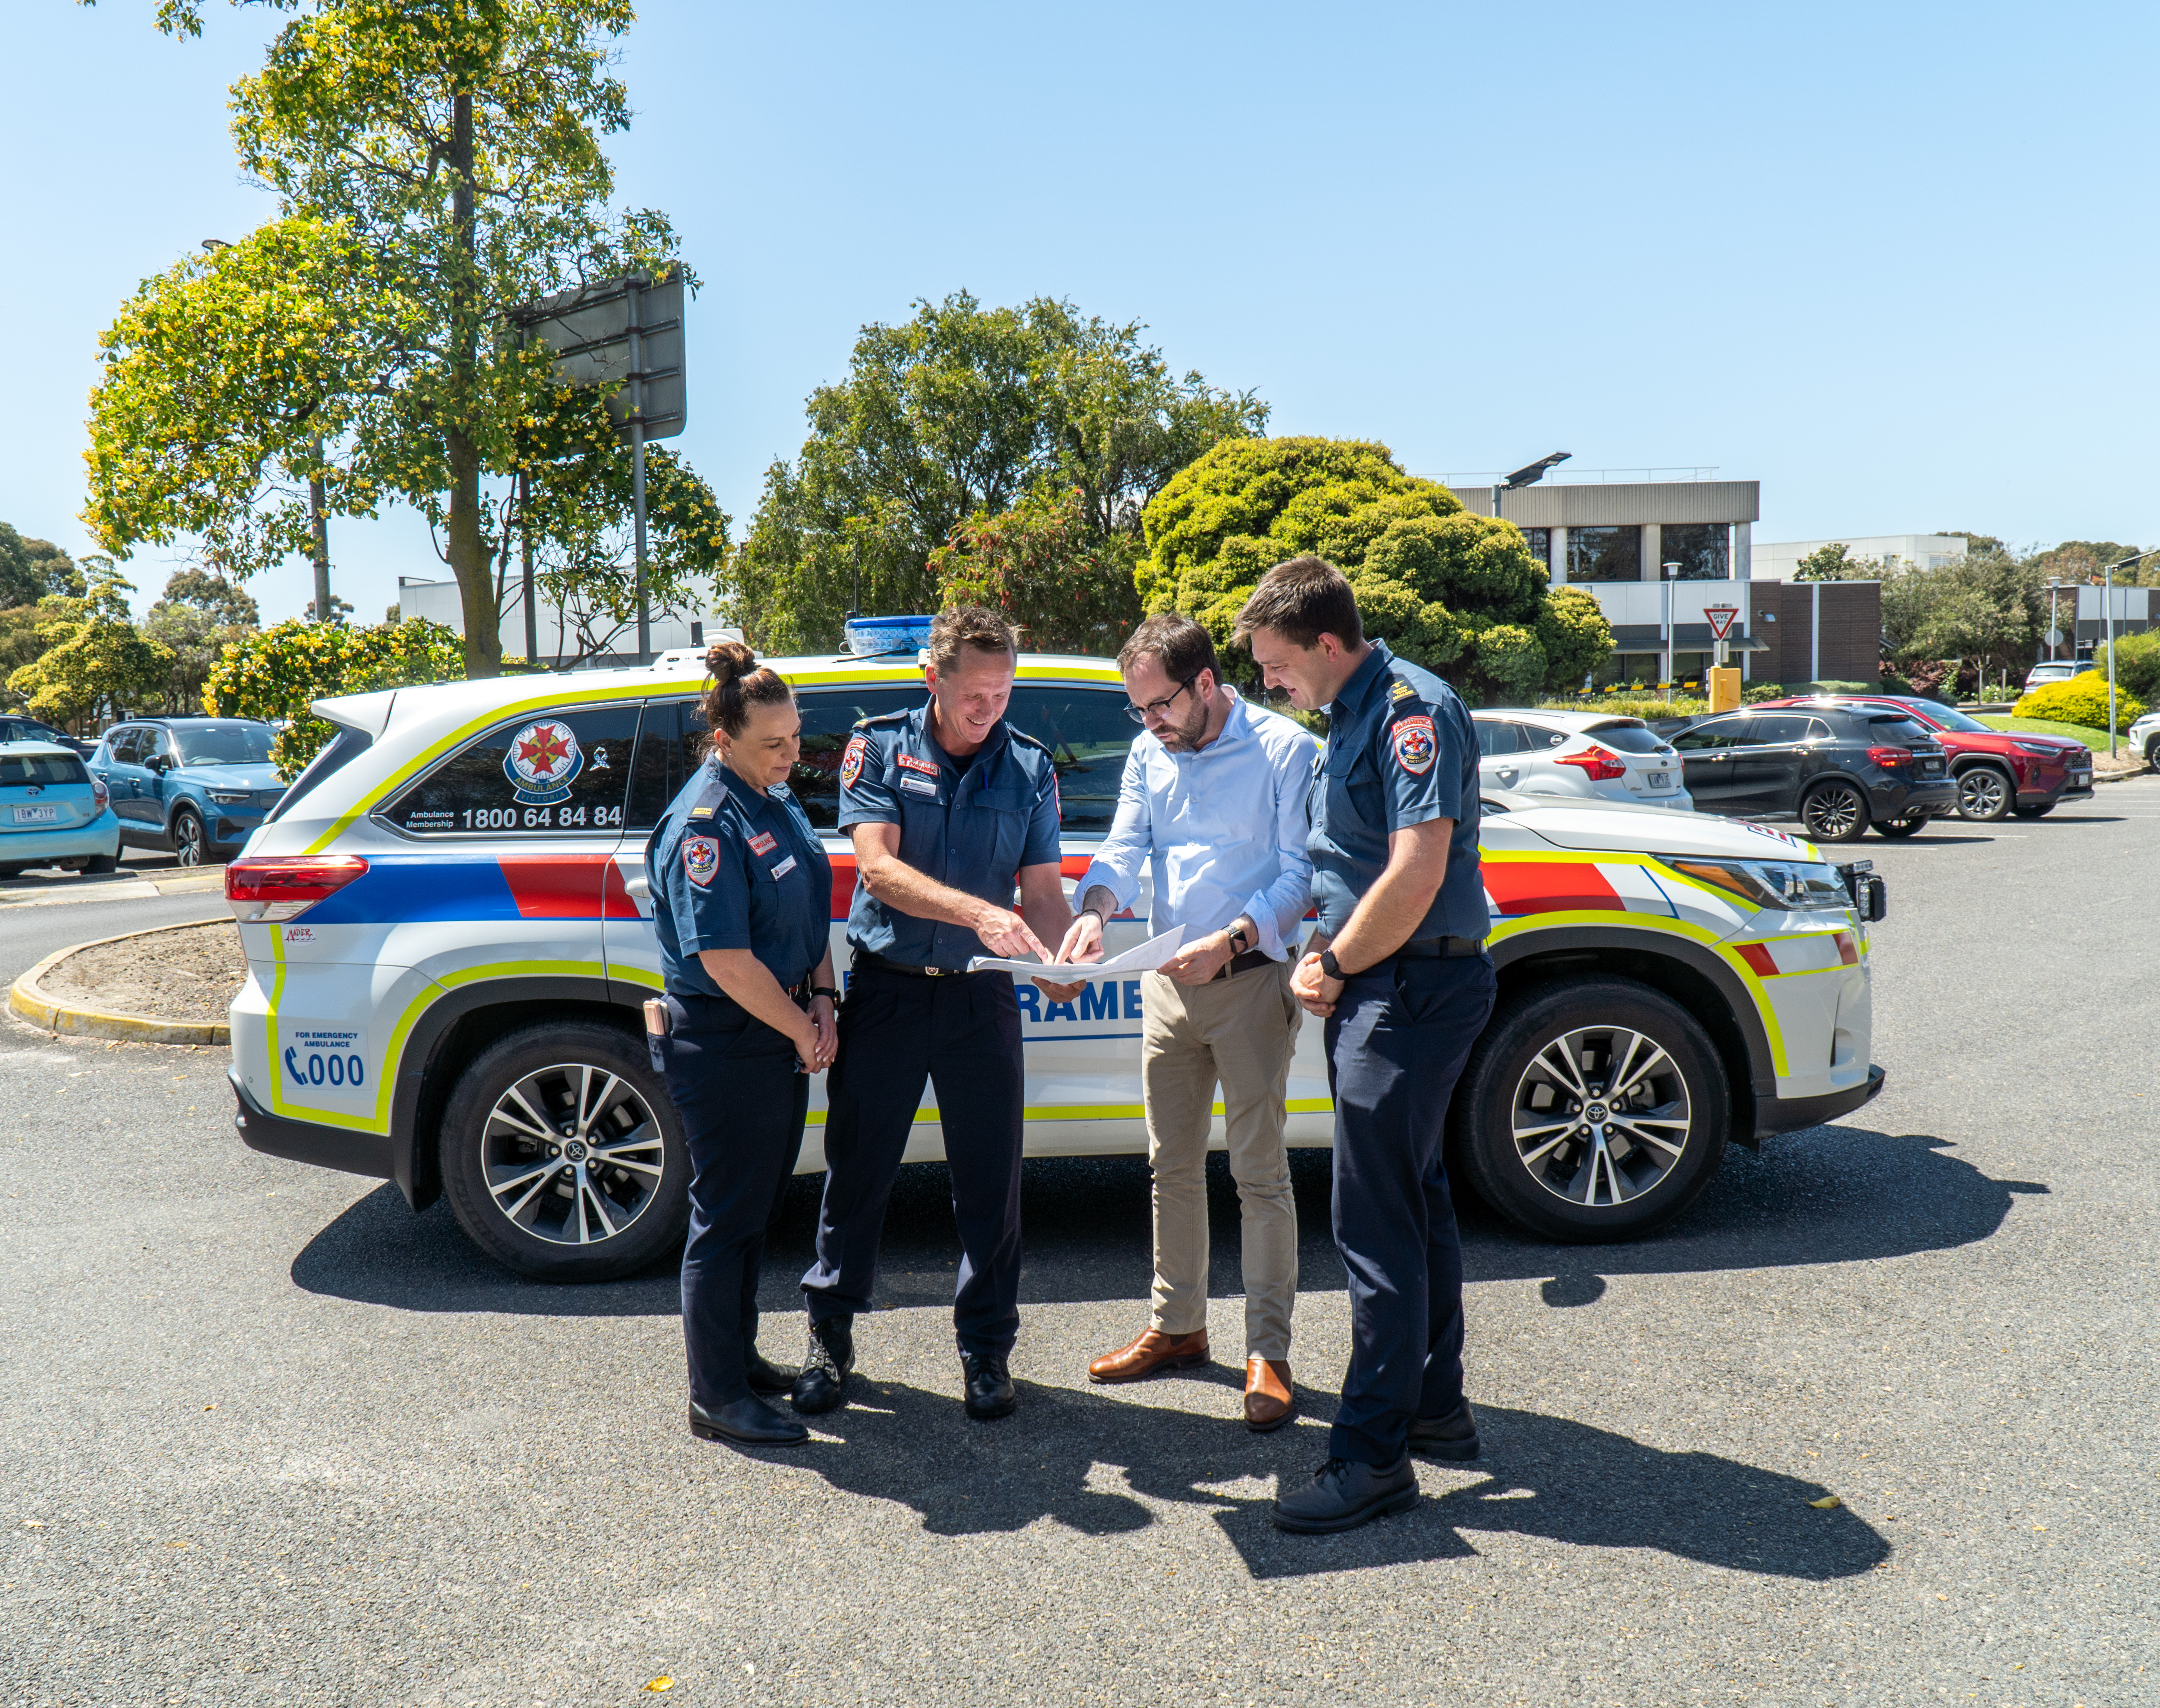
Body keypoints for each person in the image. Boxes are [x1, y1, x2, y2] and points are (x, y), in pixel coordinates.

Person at [1234, 557, 1498, 1534]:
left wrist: (1335, 963)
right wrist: (1326, 949)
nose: (1268, 681)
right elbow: (1343, 864)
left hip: (1410, 986)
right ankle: (1434, 1404)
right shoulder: (1347, 713)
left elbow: (1417, 868)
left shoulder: (1406, 711)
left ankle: (1373, 1455)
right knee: (1415, 1197)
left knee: (1374, 1224)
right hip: (1386, 982)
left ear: (1328, 643)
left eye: (1275, 664)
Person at [794, 605, 1074, 1424]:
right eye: (973, 693)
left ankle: (986, 1352)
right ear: (932, 679)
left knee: (991, 1181)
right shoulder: (879, 745)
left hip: (979, 994)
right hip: (887, 990)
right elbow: (877, 870)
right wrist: (980, 914)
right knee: (858, 1171)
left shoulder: (1028, 766)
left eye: (1003, 691)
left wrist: (1053, 965)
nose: (989, 708)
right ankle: (829, 1338)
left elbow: (1045, 894)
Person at [1055, 611, 1318, 1430]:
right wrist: (1096, 910)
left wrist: (1231, 939)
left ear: (1206, 683)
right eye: (1138, 711)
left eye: (1160, 705)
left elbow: (1302, 872)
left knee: (1258, 1173)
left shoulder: (1285, 750)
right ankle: (1178, 1331)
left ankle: (1267, 1353)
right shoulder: (1147, 752)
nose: (1149, 724)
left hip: (1247, 978)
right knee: (1169, 1167)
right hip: (1167, 982)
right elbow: (1124, 846)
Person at [647, 642, 839, 1449]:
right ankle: (716, 1395)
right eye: (775, 743)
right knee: (724, 1220)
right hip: (731, 1040)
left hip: (781, 1031)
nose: (793, 755)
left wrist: (823, 996)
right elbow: (724, 959)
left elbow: (809, 909)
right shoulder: (707, 820)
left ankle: (739, 1356)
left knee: (756, 1213)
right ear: (723, 741)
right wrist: (801, 1027)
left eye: (796, 737)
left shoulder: (771, 794)